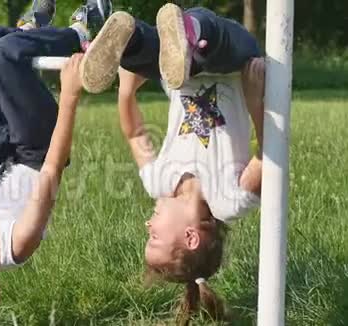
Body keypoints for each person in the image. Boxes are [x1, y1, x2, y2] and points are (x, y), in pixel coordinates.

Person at [80, 4, 265, 324]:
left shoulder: (159, 184)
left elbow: (136, 134)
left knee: (149, 55)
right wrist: (255, 99)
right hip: (232, 63)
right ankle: (189, 32)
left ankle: (130, 39)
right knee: (211, 41)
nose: (147, 226)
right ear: (191, 237)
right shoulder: (228, 202)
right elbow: (268, 156)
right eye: (154, 238)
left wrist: (126, 92)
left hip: (177, 70)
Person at [0, 0, 113, 324]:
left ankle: (30, 30)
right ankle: (81, 32)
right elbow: (52, 171)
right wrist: (70, 96)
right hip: (38, 150)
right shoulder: (16, 243)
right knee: (5, 55)